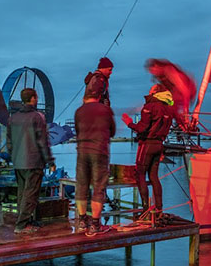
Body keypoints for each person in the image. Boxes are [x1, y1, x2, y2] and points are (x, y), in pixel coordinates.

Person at [7, 88, 55, 235]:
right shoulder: (38, 117)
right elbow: (42, 141)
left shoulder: (12, 118)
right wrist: (50, 161)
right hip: (33, 161)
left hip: (18, 161)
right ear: (33, 98)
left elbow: (9, 141)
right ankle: (21, 225)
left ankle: (26, 220)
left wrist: (13, 156)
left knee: (22, 192)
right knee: (31, 194)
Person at [122, 84, 174, 216]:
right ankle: (159, 209)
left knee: (140, 174)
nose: (149, 90)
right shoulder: (168, 109)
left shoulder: (150, 106)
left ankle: (145, 210)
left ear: (156, 92)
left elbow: (141, 128)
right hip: (159, 144)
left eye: (151, 89)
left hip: (147, 144)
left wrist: (128, 123)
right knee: (154, 176)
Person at [73, 93, 115, 236]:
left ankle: (82, 221)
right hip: (99, 151)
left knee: (82, 185)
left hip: (82, 151)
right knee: (98, 187)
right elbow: (112, 131)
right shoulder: (105, 110)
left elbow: (78, 132)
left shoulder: (79, 111)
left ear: (84, 98)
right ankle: (95, 224)